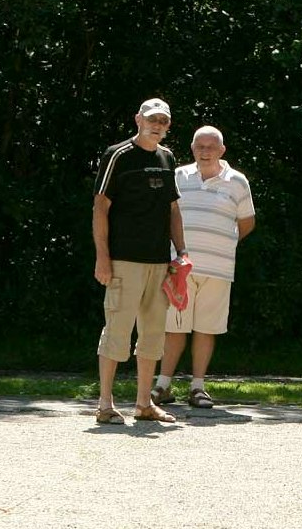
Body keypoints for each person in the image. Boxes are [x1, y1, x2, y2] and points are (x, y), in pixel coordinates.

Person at [92, 98, 188, 425]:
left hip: (160, 262)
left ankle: (144, 404)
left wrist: (182, 253)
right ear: (138, 119)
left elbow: (173, 210)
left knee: (152, 336)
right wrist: (102, 258)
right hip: (123, 260)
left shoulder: (167, 157)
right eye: (152, 119)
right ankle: (105, 404)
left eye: (163, 120)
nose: (156, 125)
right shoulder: (117, 155)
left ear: (168, 125)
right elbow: (100, 207)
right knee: (117, 331)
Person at [155, 126, 256, 408]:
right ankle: (162, 385)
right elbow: (165, 216)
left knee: (206, 328)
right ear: (192, 149)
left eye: (211, 146)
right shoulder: (177, 177)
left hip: (218, 268)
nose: (205, 151)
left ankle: (197, 387)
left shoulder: (237, 181)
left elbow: (246, 222)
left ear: (222, 150)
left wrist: (223, 242)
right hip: (180, 266)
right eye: (200, 146)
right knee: (174, 327)